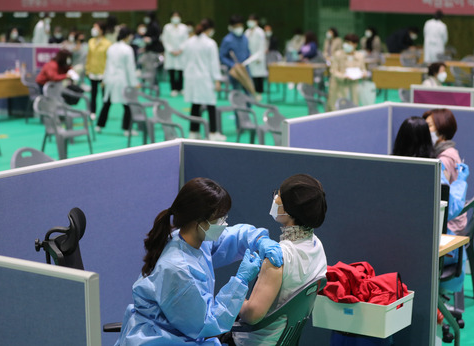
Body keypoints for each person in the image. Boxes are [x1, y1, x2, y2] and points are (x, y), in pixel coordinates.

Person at [115, 177, 284, 345]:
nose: (224, 224)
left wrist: (259, 239)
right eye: (220, 219)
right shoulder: (177, 269)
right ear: (199, 222)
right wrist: (240, 281)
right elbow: (206, 324)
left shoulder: (192, 240)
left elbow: (234, 236)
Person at [232, 174, 328, 346]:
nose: (275, 198)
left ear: (289, 211)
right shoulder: (316, 245)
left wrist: (232, 296)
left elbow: (252, 315)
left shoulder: (279, 257)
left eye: (279, 195)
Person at [392, 116, 469, 293]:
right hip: (430, 251)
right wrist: (460, 182)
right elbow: (451, 209)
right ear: (427, 139)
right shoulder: (434, 171)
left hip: (394, 248)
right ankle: (437, 309)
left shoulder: (389, 168)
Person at [183, 19, 226, 142]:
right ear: (210, 29)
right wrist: (217, 79)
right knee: (211, 105)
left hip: (191, 78)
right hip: (204, 77)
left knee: (195, 104)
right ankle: (213, 133)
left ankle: (193, 132)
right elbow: (214, 63)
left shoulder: (189, 42)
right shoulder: (210, 43)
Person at [97, 26, 139, 136]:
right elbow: (130, 68)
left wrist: (105, 79)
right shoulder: (127, 49)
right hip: (122, 80)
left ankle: (99, 125)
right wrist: (134, 83)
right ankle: (127, 129)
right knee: (127, 104)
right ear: (128, 36)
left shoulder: (111, 47)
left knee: (107, 103)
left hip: (110, 79)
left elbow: (107, 65)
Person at [327, 33, 367, 110]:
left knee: (353, 107)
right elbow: (333, 70)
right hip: (339, 85)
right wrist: (343, 76)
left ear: (355, 44)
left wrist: (364, 73)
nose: (346, 45)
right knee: (336, 107)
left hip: (353, 86)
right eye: (345, 42)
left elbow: (363, 69)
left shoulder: (360, 56)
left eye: (349, 43)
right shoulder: (338, 54)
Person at [85, 22, 112, 120]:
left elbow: (109, 60)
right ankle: (93, 112)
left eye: (95, 27)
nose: (94, 29)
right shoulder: (91, 41)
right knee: (93, 94)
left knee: (105, 97)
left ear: (101, 30)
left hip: (103, 73)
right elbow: (89, 56)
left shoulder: (107, 44)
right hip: (92, 72)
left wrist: (108, 73)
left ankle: (103, 115)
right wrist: (87, 69)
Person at [219, 15, 251, 91]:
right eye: (236, 26)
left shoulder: (245, 38)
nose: (239, 28)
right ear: (232, 27)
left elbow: (247, 52)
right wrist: (232, 64)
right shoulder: (227, 40)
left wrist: (249, 57)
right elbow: (222, 56)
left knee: (249, 92)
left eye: (240, 26)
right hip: (235, 71)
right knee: (237, 92)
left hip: (245, 69)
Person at [162, 11, 189, 97]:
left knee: (181, 71)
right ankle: (173, 89)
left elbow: (186, 40)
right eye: (174, 16)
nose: (175, 18)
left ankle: (180, 88)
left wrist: (180, 49)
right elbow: (165, 40)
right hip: (171, 53)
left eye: (177, 16)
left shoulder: (184, 28)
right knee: (172, 71)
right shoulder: (167, 27)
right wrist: (171, 50)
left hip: (181, 52)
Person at [244, 14, 268, 100]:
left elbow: (262, 45)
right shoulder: (247, 32)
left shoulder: (260, 32)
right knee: (251, 75)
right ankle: (252, 92)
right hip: (249, 57)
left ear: (256, 21)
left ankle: (259, 93)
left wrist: (259, 57)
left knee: (258, 76)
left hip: (258, 56)